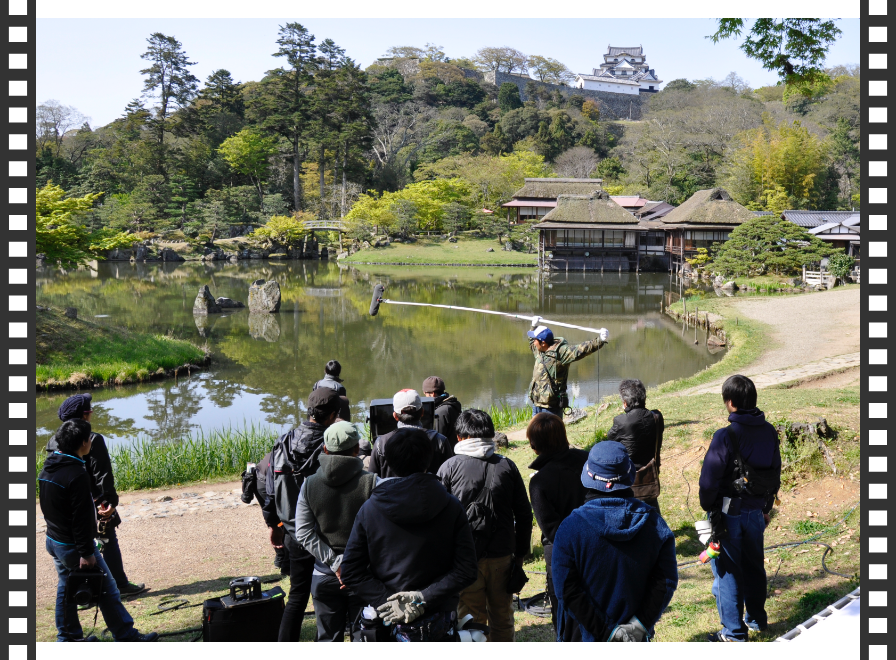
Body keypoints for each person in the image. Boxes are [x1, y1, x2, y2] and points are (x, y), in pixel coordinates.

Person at [340, 427, 479, 641]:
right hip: (438, 614)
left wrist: (390, 600)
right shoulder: (451, 505)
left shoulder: (370, 509)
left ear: (390, 462)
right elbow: (466, 569)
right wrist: (421, 598)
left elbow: (351, 571)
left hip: (389, 617)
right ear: (429, 459)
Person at [39, 419, 158, 643]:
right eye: (89, 439)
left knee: (66, 591)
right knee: (108, 588)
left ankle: (68, 638)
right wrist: (86, 553)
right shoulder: (76, 474)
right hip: (72, 546)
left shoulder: (49, 465)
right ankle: (127, 636)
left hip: (54, 541)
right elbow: (81, 520)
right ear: (84, 443)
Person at [552, 441, 678, 642]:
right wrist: (637, 627)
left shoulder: (570, 528)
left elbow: (566, 590)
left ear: (587, 476)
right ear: (629, 475)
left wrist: (607, 633)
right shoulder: (655, 525)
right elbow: (666, 582)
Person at [436, 410, 532, 642]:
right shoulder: (507, 466)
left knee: (470, 620)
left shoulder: (448, 467)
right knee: (502, 618)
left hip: (465, 559)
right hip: (502, 557)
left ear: (459, 437)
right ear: (490, 435)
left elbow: (438, 520)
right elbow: (525, 514)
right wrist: (519, 557)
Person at [699, 375, 781, 642]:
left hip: (728, 513)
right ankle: (756, 619)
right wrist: (766, 506)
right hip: (757, 510)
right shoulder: (769, 430)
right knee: (754, 565)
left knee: (728, 571)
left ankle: (733, 634)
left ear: (730, 402)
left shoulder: (725, 435)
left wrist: (708, 508)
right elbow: (775, 472)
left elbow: (709, 480)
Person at [46, 394, 146, 599]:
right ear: (84, 415)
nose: (92, 412)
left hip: (66, 506)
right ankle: (120, 585)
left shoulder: (53, 439)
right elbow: (103, 475)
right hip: (95, 502)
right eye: (89, 409)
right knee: (108, 540)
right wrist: (109, 501)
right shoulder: (92, 439)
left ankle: (82, 593)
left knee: (78, 546)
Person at [262, 388, 342, 642]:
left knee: (297, 595)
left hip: (293, 533)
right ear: (333, 415)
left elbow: (270, 491)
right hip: (326, 534)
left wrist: (274, 524)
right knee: (330, 593)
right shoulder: (331, 445)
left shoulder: (284, 442)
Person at [295, 421, 378, 642]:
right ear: (357, 450)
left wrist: (335, 563)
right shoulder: (372, 483)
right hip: (364, 574)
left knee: (328, 638)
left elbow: (303, 533)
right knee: (366, 635)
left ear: (324, 449)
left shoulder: (308, 484)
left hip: (324, 575)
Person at [526, 412, 589, 639]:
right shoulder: (588, 461)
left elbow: (550, 529)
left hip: (561, 554)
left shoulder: (540, 481)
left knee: (564, 616)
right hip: (597, 544)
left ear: (535, 446)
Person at [527, 318, 609, 417]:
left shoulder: (561, 353)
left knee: (552, 433)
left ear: (543, 343)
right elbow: (532, 342)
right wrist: (534, 326)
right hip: (537, 404)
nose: (534, 343)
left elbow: (581, 350)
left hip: (551, 407)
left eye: (536, 340)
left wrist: (600, 340)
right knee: (534, 432)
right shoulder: (539, 350)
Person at [606, 379, 665, 511]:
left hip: (628, 477)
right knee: (652, 508)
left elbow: (610, 442)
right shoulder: (656, 417)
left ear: (625, 402)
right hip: (651, 472)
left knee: (630, 511)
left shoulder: (621, 421)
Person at [369, 389, 453, 478]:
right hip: (430, 491)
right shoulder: (440, 440)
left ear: (395, 416)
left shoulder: (380, 443)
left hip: (393, 492)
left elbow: (373, 478)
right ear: (422, 412)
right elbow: (449, 476)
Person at [422, 376, 462, 446]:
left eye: (425, 393)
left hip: (447, 454)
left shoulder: (440, 412)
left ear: (432, 394)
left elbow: (437, 440)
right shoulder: (452, 404)